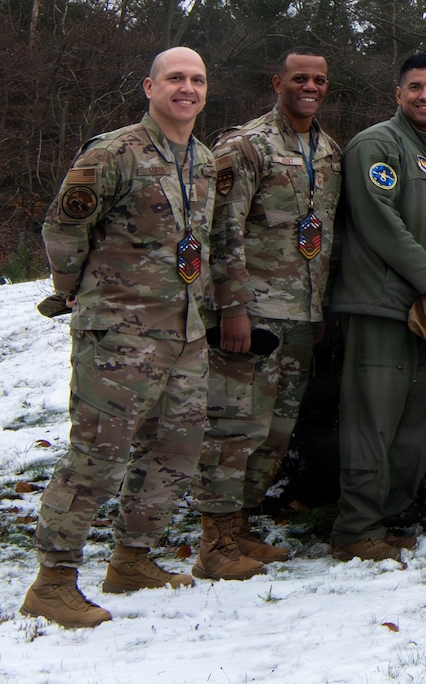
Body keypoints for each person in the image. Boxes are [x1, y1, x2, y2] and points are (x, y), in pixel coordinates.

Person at [22, 49, 230, 626]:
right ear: (149, 86)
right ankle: (53, 580)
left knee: (175, 453)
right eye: (176, 79)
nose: (187, 88)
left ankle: (132, 560)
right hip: (119, 335)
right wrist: (77, 290)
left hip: (184, 333)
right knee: (97, 455)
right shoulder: (113, 153)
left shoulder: (205, 161)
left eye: (197, 80)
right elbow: (64, 227)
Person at [194, 48, 343, 570]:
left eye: (319, 79)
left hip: (301, 313)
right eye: (299, 78)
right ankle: (213, 541)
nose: (310, 86)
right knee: (236, 428)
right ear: (277, 81)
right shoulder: (245, 146)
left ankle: (242, 526)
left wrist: (319, 307)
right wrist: (230, 308)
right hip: (252, 314)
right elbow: (220, 230)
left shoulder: (327, 149)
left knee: (276, 432)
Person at [328, 53, 426, 564]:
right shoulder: (377, 145)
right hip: (383, 305)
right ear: (398, 93)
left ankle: (385, 518)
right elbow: (377, 220)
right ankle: (355, 527)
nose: (425, 96)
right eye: (415, 88)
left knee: (416, 422)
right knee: (373, 420)